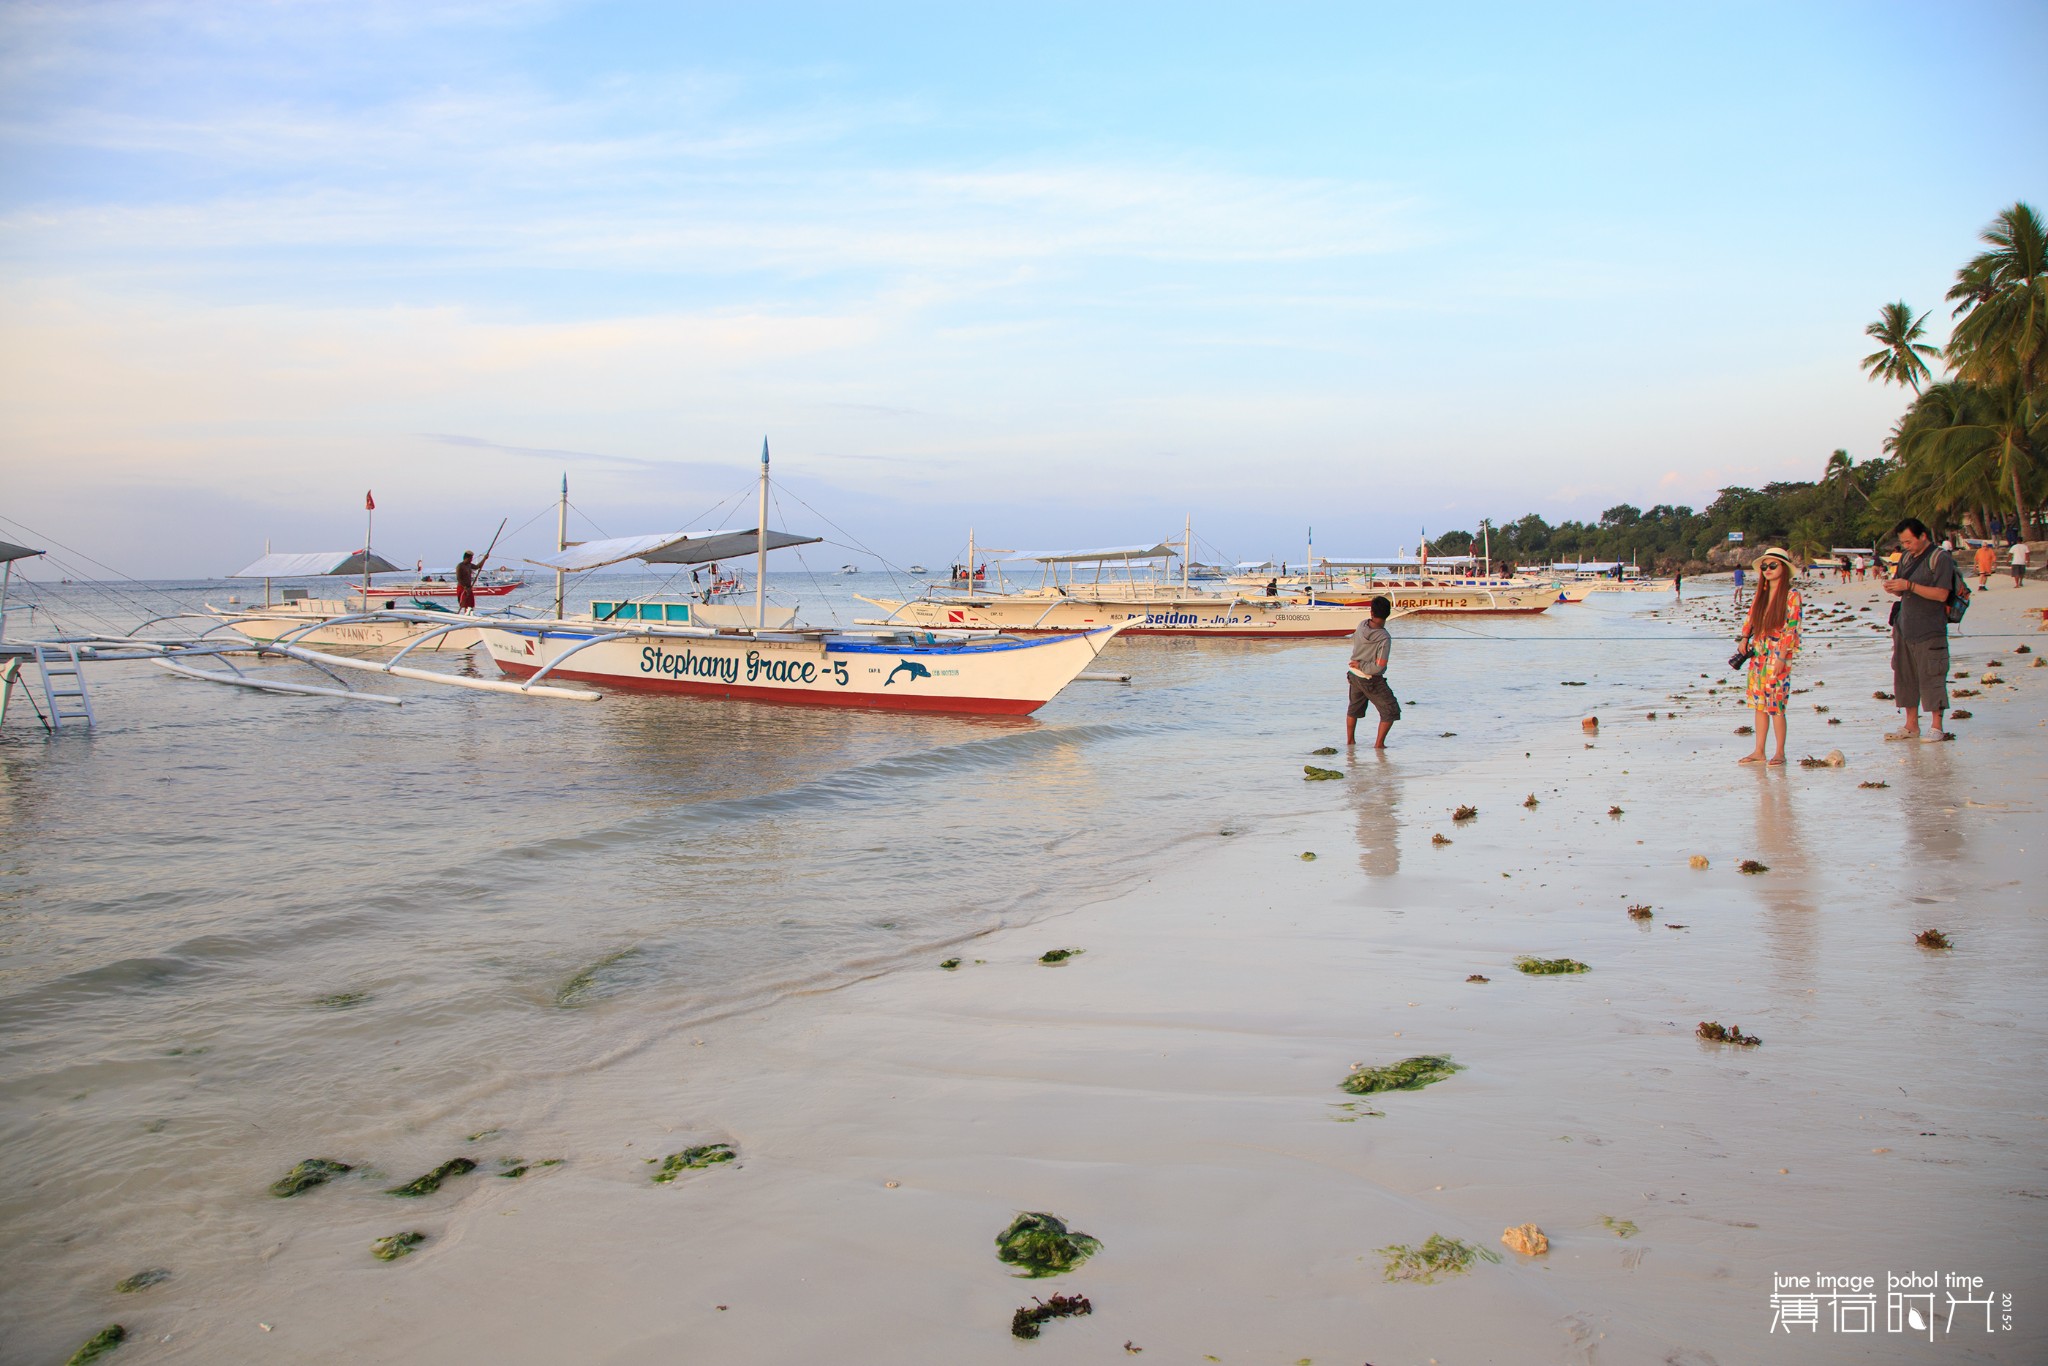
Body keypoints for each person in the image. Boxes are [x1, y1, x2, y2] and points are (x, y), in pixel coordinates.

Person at [1883, 518, 1955, 742]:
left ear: (1923, 536)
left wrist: (1909, 586)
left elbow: (1942, 594)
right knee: (1905, 675)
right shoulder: (1905, 558)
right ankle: (1911, 725)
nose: (1906, 546)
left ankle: (1937, 726)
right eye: (1903, 542)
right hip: (1904, 625)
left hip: (1930, 628)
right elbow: (1901, 587)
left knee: (1932, 675)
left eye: (1909, 541)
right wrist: (1894, 588)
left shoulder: (1940, 558)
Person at [1737, 547, 1803, 765]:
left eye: (1772, 565)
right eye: (1764, 566)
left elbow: (1792, 627)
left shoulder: (1792, 596)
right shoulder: (1761, 595)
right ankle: (1758, 751)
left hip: (1778, 655)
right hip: (1758, 654)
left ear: (1784, 569)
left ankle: (1780, 752)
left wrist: (1783, 658)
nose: (1767, 569)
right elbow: (1750, 620)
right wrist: (1744, 639)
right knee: (1759, 704)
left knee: (1776, 706)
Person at [1344, 595, 1400, 748]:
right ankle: (1379, 745)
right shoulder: (1384, 638)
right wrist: (1362, 665)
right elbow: (1379, 667)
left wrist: (1358, 665)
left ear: (1371, 612)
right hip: (1370, 679)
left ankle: (1350, 742)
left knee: (1354, 709)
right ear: (1388, 613)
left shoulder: (1362, 625)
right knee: (1391, 711)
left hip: (1353, 675)